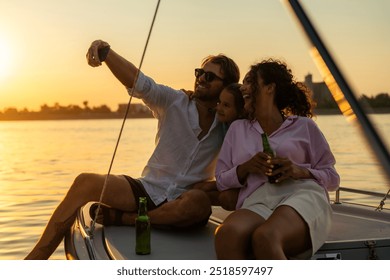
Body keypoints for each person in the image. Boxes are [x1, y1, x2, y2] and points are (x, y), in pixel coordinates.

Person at [24, 39, 240, 259]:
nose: (201, 78)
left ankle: (126, 219)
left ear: (226, 87)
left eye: (210, 76)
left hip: (185, 200)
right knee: (85, 182)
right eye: (199, 73)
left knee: (199, 204)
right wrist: (106, 52)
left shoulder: (229, 125)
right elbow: (141, 83)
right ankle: (33, 262)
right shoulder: (174, 100)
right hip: (147, 190)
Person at [214, 58, 340, 259]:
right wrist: (245, 168)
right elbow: (220, 180)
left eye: (250, 81)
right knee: (226, 234)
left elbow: (333, 178)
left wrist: (299, 171)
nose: (243, 88)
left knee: (266, 236)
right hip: (258, 199)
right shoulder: (238, 129)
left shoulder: (304, 127)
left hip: (302, 193)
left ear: (269, 88)